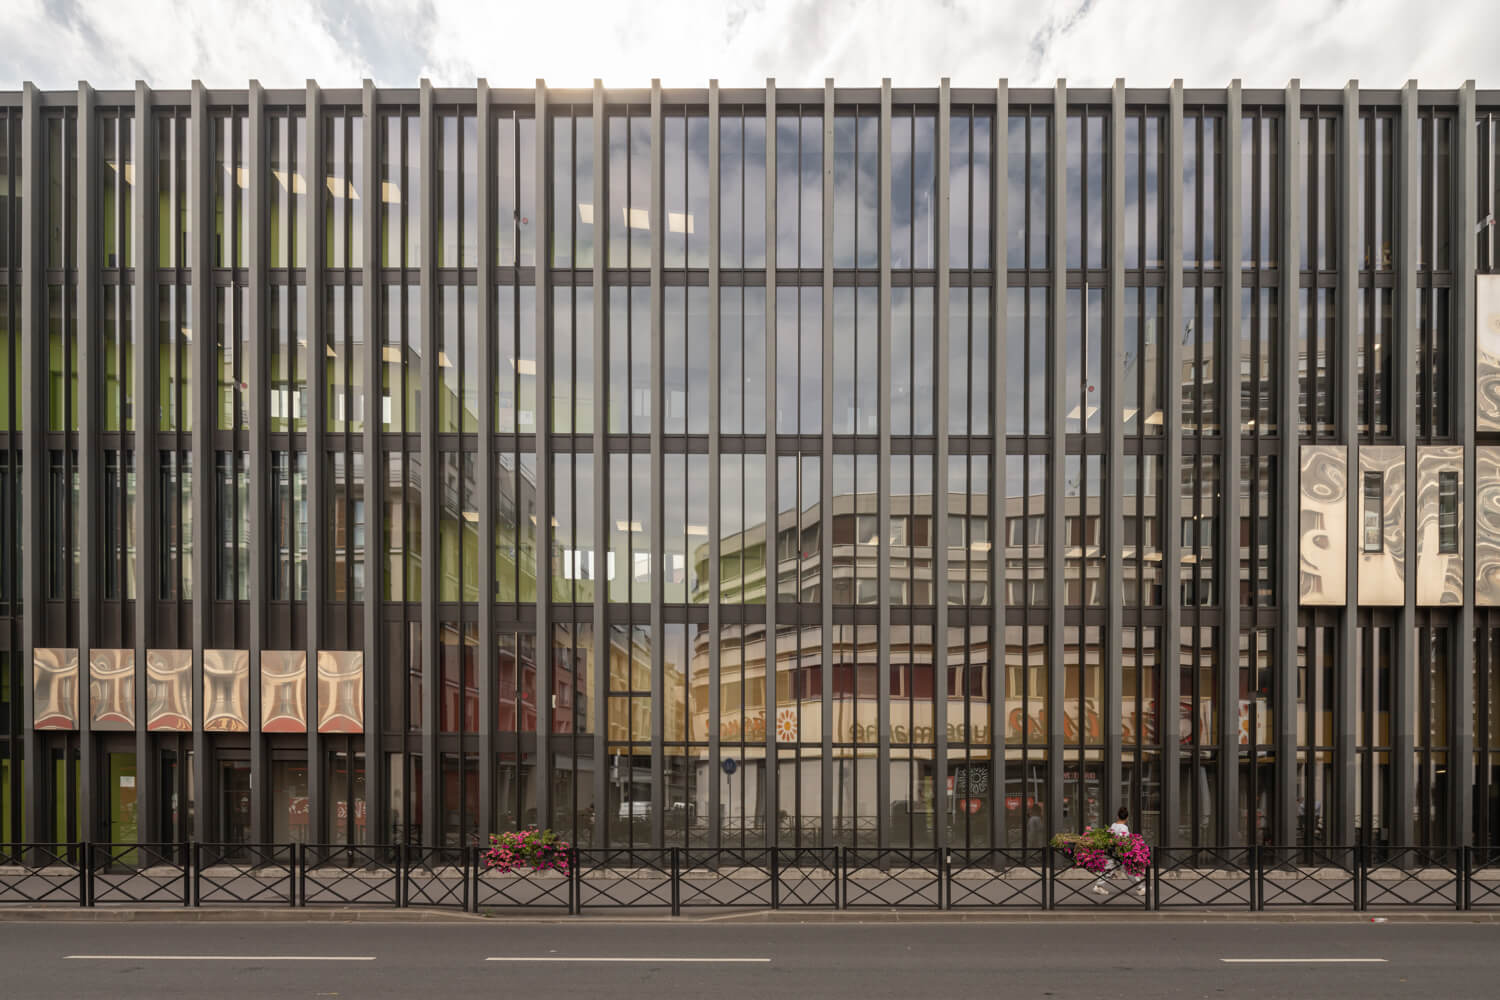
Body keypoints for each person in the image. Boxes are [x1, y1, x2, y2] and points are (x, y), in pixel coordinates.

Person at [1091, 806, 1146, 897]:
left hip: (1112, 852)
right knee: (1129, 870)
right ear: (1127, 817)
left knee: (1109, 870)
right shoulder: (1124, 828)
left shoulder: (1113, 825)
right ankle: (1140, 888)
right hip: (1120, 854)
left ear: (1118, 816)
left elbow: (1109, 837)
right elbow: (1122, 841)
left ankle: (1099, 886)